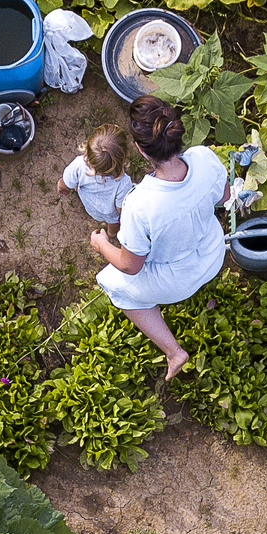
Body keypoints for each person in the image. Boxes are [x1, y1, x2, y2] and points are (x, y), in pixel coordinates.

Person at [89, 95, 230, 381]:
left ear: (141, 150)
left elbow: (130, 265)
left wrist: (101, 243)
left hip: (177, 280)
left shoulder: (140, 204)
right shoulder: (204, 157)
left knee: (112, 282)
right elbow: (225, 196)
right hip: (214, 251)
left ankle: (173, 351)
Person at [57, 124, 134, 224]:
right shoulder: (124, 183)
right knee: (114, 223)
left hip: (90, 206)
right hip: (110, 214)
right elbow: (120, 208)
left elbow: (65, 182)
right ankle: (111, 233)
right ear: (122, 157)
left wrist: (62, 188)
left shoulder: (79, 164)